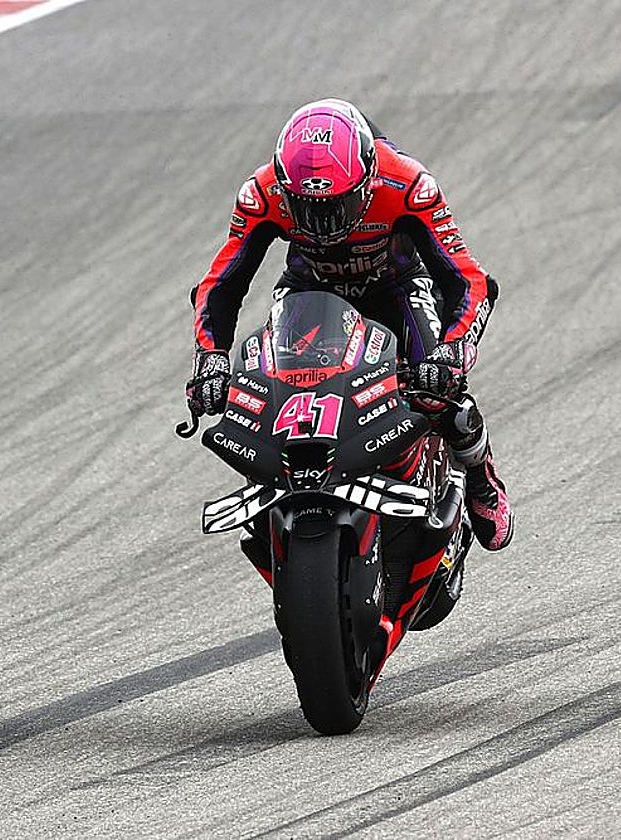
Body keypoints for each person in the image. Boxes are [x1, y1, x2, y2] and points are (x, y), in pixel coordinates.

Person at [186, 98, 512, 552]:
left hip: (397, 286)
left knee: (441, 390)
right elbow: (220, 285)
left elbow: (469, 281)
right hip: (308, 290)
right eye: (308, 208)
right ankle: (269, 515)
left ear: (366, 180)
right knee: (264, 395)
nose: (324, 224)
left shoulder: (407, 183)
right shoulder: (261, 195)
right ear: (284, 188)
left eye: (337, 206)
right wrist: (212, 361)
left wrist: (453, 351)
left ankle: (480, 478)